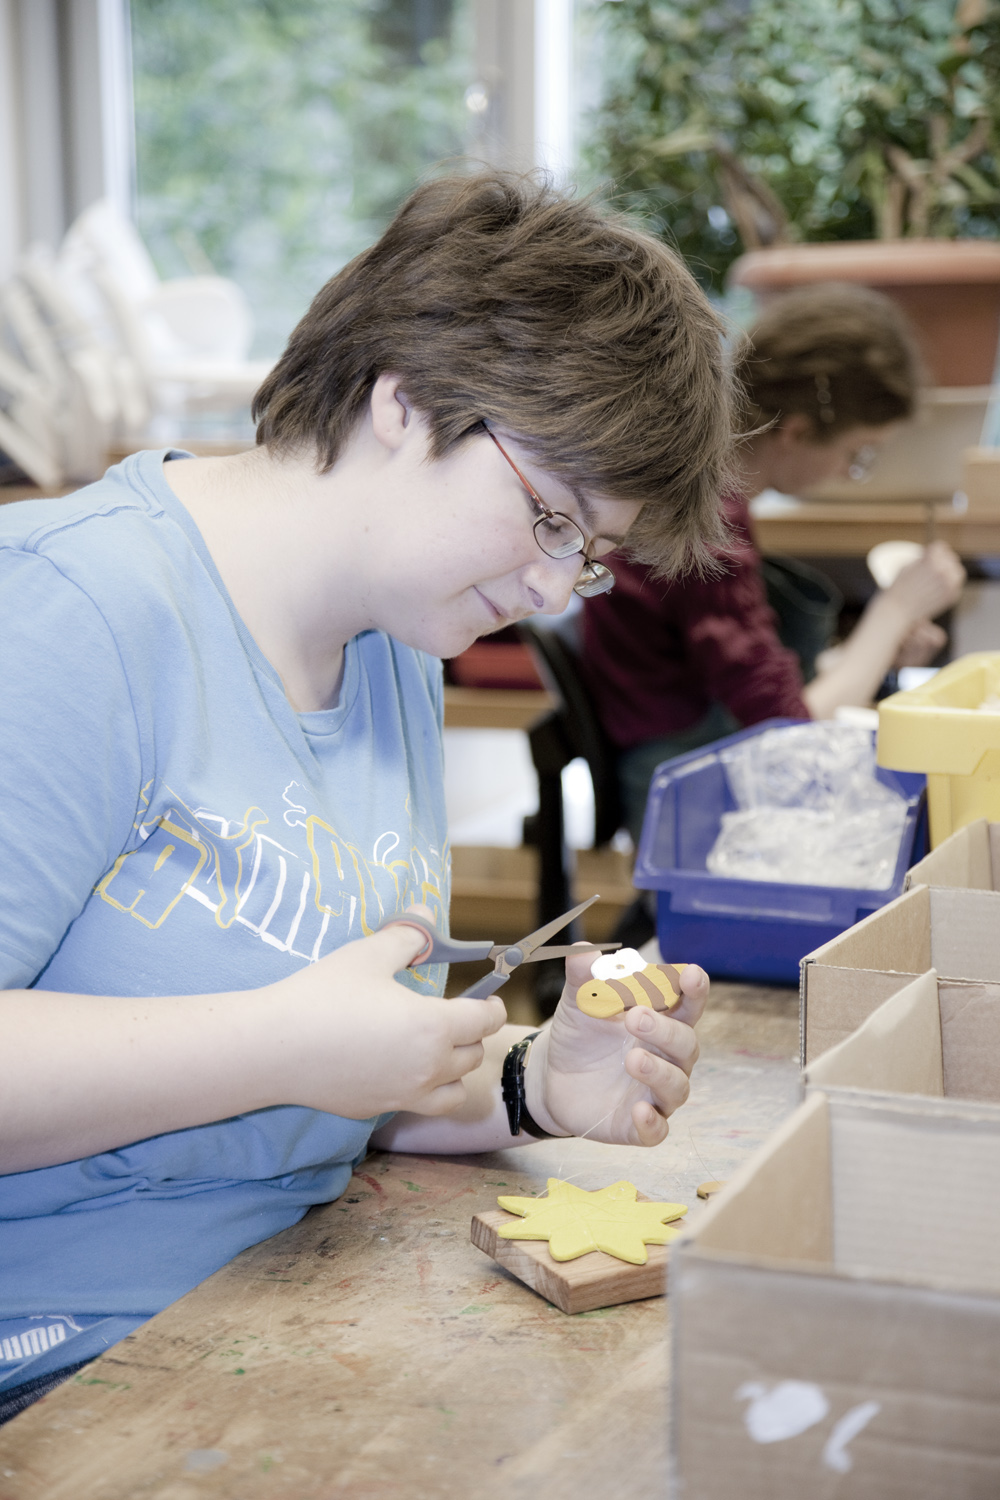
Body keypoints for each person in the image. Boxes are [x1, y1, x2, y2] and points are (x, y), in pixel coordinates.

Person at [0, 172, 737, 1417]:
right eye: (551, 519)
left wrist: (527, 1082)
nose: (559, 591)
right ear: (404, 401)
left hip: (283, 1299)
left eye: (591, 557)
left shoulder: (396, 639)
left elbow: (332, 1068)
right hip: (66, 1367)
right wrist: (279, 1041)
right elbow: (284, 1043)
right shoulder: (72, 612)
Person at [582, 281, 967, 845]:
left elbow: (747, 668)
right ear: (800, 432)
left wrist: (870, 646)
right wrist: (891, 615)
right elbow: (790, 728)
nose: (847, 473)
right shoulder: (708, 515)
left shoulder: (711, 481)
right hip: (686, 790)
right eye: (857, 456)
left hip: (696, 741)